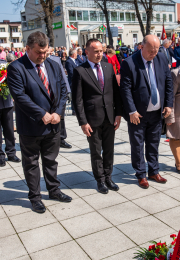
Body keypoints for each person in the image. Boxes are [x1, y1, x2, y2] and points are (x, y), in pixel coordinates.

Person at [7, 32, 71, 214]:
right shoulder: (16, 67)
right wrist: (41, 113)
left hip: (53, 124)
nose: (42, 56)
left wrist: (58, 112)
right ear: (27, 49)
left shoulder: (53, 64)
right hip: (31, 125)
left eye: (45, 52)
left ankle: (54, 190)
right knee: (32, 163)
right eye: (38, 52)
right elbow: (19, 96)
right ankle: (35, 197)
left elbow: (62, 89)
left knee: (51, 160)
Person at [120, 35, 173, 189]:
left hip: (157, 112)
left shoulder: (161, 58)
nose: (153, 54)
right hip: (138, 114)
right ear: (141, 47)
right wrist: (131, 110)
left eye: (156, 50)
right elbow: (125, 89)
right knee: (137, 145)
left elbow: (168, 81)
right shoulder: (129, 63)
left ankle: (153, 171)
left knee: (154, 143)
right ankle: (141, 174)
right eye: (150, 51)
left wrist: (169, 104)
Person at [72, 39, 123, 194]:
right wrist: (83, 122)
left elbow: (116, 93)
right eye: (96, 51)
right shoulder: (80, 70)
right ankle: (100, 180)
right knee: (96, 150)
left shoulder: (108, 67)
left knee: (109, 150)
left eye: (101, 51)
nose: (99, 54)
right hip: (92, 119)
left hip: (109, 116)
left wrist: (118, 113)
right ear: (87, 52)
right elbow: (77, 100)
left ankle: (108, 177)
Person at [47, 47, 72, 149]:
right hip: (46, 92)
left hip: (57, 92)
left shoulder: (56, 59)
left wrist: (68, 91)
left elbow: (62, 74)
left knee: (60, 116)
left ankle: (61, 138)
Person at [65, 49, 78, 116]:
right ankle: (73, 110)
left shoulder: (75, 61)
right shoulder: (68, 62)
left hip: (77, 80)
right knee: (73, 96)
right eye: (76, 53)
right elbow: (71, 73)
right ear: (73, 54)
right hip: (73, 81)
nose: (77, 55)